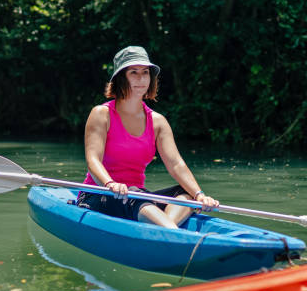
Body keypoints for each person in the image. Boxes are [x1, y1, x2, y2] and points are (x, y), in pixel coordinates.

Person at [77, 46, 219, 229]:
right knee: (134, 198)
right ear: (121, 77)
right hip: (100, 194)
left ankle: (166, 229)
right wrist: (110, 183)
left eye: (145, 72)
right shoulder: (101, 114)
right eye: (133, 72)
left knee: (187, 193)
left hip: (137, 195)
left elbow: (176, 164)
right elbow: (93, 160)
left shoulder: (158, 122)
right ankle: (171, 232)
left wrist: (199, 195)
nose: (141, 78)